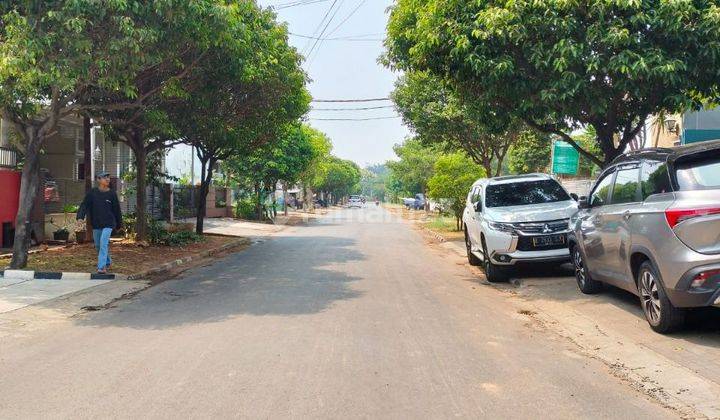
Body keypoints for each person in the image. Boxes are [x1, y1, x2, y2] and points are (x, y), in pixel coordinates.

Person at [77, 171, 122, 274]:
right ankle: (108, 261)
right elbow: (84, 205)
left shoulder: (112, 194)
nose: (107, 179)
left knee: (103, 243)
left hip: (108, 224)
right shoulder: (92, 193)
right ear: (98, 179)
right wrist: (80, 217)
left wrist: (119, 225)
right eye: (104, 177)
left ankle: (101, 267)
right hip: (96, 223)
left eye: (108, 177)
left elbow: (117, 210)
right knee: (98, 245)